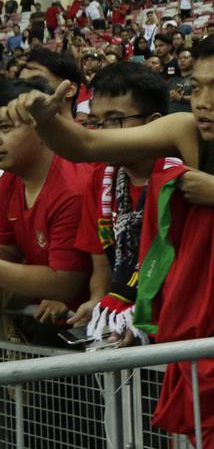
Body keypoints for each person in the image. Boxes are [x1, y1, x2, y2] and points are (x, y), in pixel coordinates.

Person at [1, 32, 214, 322]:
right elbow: (85, 144)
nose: (202, 102)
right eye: (197, 88)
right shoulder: (187, 132)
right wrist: (46, 121)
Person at [57, 63, 172, 342]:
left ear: (153, 121)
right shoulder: (100, 179)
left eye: (115, 120)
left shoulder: (181, 176)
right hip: (121, 328)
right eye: (96, 122)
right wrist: (100, 303)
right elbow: (102, 266)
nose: (101, 132)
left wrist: (141, 318)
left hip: (172, 325)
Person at [0, 79, 91, 345]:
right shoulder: (10, 181)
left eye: (5, 128)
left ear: (42, 129)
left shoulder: (72, 186)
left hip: (87, 335)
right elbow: (6, 252)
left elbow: (64, 283)